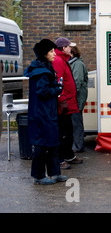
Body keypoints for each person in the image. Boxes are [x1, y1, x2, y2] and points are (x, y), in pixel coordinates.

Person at [24, 39, 67, 185]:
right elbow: (43, 91)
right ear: (44, 54)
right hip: (43, 114)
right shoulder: (42, 72)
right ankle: (39, 176)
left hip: (47, 113)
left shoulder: (44, 68)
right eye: (51, 51)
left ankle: (55, 173)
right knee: (42, 145)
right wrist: (58, 89)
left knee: (53, 143)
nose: (54, 54)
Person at [53, 37, 83, 169]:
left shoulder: (63, 60)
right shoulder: (59, 61)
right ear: (64, 48)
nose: (71, 49)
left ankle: (68, 155)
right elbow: (58, 82)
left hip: (67, 103)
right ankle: (60, 159)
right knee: (62, 132)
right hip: (63, 104)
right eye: (69, 46)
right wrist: (62, 99)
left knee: (68, 131)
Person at [69, 45, 88, 152]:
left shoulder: (77, 64)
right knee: (75, 122)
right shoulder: (75, 63)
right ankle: (76, 145)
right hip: (76, 98)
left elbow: (77, 81)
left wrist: (71, 96)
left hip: (76, 98)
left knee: (76, 123)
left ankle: (78, 147)